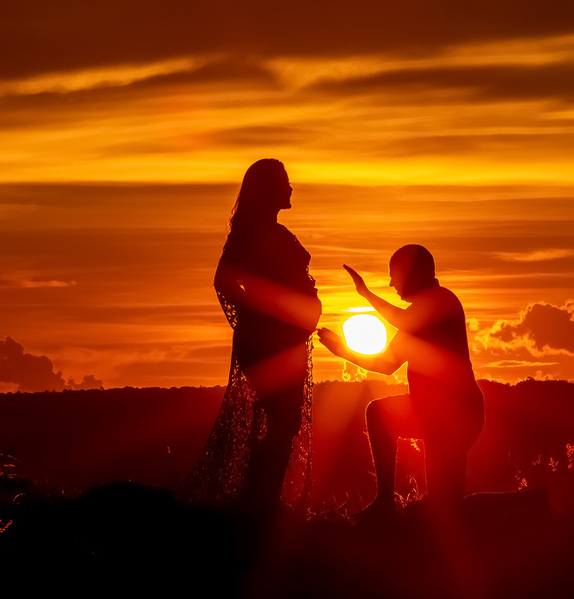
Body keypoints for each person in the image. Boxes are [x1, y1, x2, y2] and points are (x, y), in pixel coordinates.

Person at [185, 159, 321, 512]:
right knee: (284, 420)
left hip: (284, 341)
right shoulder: (250, 231)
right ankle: (259, 501)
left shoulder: (271, 230)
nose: (291, 188)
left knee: (284, 421)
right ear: (268, 188)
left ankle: (261, 499)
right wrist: (270, 313)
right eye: (285, 182)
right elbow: (224, 280)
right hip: (266, 343)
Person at [318, 245, 484, 517]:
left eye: (395, 275)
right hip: (436, 415)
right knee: (446, 507)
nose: (391, 283)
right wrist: (343, 349)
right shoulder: (422, 313)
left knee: (448, 508)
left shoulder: (440, 303)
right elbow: (387, 364)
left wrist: (366, 296)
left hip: (455, 415)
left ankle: (526, 504)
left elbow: (400, 323)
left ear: (414, 274)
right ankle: (385, 502)